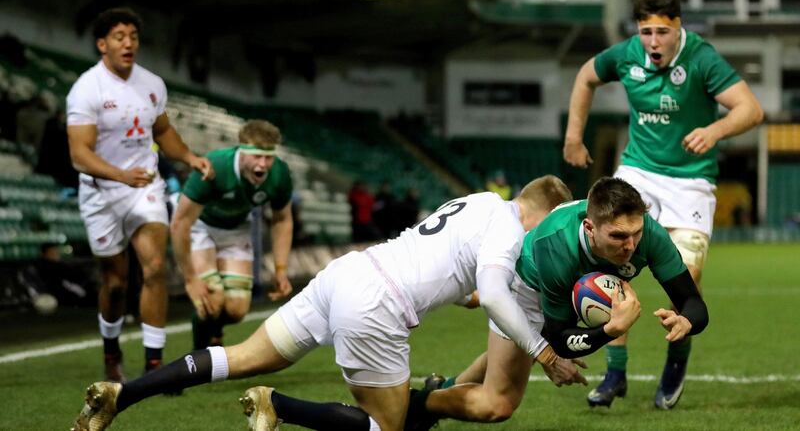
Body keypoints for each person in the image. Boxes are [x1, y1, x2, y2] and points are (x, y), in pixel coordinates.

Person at [71, 175, 574, 431]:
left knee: (238, 356)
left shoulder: (484, 202)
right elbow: (492, 292)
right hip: (378, 306)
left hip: (350, 272)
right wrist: (547, 354)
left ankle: (122, 395)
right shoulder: (510, 233)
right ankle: (278, 406)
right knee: (387, 428)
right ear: (543, 215)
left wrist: (468, 292)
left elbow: (454, 261)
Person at [562, 0, 762, 409]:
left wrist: (714, 130)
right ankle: (615, 372)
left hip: (690, 182)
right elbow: (585, 77)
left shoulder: (702, 59)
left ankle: (675, 365)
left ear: (678, 27)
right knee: (610, 269)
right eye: (646, 31)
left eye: (662, 32)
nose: (653, 42)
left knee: (685, 278)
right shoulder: (626, 54)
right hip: (638, 173)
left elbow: (750, 109)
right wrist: (573, 137)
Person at [404, 177, 709, 429]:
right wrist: (610, 331)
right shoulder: (556, 245)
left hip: (574, 282)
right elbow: (560, 340)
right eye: (618, 236)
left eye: (636, 233)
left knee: (506, 358)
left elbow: (692, 301)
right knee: (499, 404)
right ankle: (417, 405)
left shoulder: (649, 236)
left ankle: (438, 390)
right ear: (590, 228)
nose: (630, 245)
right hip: (527, 288)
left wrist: (687, 320)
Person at [66, 8, 213, 382]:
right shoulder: (86, 89)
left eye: (133, 36)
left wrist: (190, 157)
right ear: (102, 45)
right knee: (115, 283)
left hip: (144, 187)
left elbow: (163, 132)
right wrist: (119, 175)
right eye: (119, 36)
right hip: (101, 192)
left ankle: (154, 363)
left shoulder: (152, 84)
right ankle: (111, 350)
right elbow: (79, 154)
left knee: (155, 268)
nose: (128, 43)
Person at [170, 119, 294, 351]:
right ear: (241, 151)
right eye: (257, 157)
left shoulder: (280, 174)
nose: (263, 164)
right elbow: (180, 223)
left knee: (236, 310)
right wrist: (190, 279)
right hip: (200, 226)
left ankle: (215, 330)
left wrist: (281, 269)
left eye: (268, 158)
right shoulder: (215, 166)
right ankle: (197, 359)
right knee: (211, 300)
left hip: (236, 229)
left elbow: (282, 219)